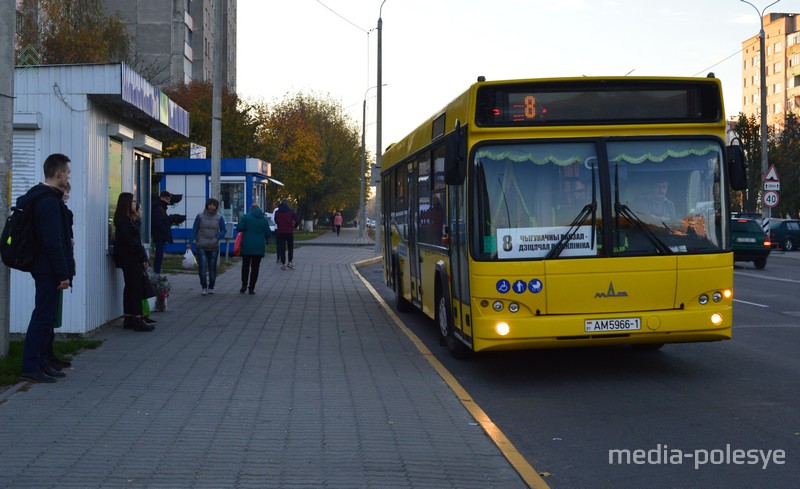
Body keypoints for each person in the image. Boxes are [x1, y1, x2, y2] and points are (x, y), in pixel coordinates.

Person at [18, 154, 75, 383]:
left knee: (47, 316)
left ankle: (42, 362)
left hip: (44, 265)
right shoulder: (48, 201)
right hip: (47, 268)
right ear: (59, 173)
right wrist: (62, 273)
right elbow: (53, 241)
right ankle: (31, 365)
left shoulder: (43, 197)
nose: (69, 176)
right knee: (43, 317)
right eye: (68, 172)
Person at [113, 193, 154, 332]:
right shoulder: (124, 221)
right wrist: (142, 258)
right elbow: (134, 242)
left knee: (130, 287)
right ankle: (137, 317)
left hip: (128, 258)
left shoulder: (127, 220)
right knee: (136, 287)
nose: (136, 204)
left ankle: (129, 317)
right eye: (133, 201)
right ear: (126, 203)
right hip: (131, 259)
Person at [189, 198, 226, 294]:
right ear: (207, 205)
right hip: (201, 245)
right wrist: (190, 241)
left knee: (212, 268)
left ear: (216, 207)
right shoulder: (200, 216)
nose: (211, 207)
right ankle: (204, 287)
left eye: (214, 205)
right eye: (210, 204)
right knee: (202, 267)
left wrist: (217, 238)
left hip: (214, 246)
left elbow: (223, 230)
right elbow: (194, 229)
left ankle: (211, 287)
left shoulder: (219, 217)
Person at [236, 204, 272, 294]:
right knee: (255, 267)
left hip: (247, 245)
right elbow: (268, 234)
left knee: (245, 266)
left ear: (251, 210)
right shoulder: (263, 220)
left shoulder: (246, 217)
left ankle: (244, 285)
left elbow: (239, 228)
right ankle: (251, 288)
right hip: (259, 247)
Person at [274, 198, 301, 270]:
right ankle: (290, 262)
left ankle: (283, 264)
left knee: (282, 248)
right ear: (287, 204)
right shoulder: (291, 212)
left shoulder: (277, 212)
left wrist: (280, 225)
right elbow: (298, 220)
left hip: (281, 232)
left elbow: (275, 221)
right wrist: (294, 226)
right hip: (289, 232)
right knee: (290, 248)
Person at [150, 190, 172, 274]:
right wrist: (165, 231)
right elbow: (158, 223)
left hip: (160, 235)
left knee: (159, 255)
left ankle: (157, 272)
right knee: (159, 255)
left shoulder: (160, 207)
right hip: (159, 236)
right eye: (167, 199)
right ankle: (156, 273)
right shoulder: (158, 208)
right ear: (162, 198)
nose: (168, 201)